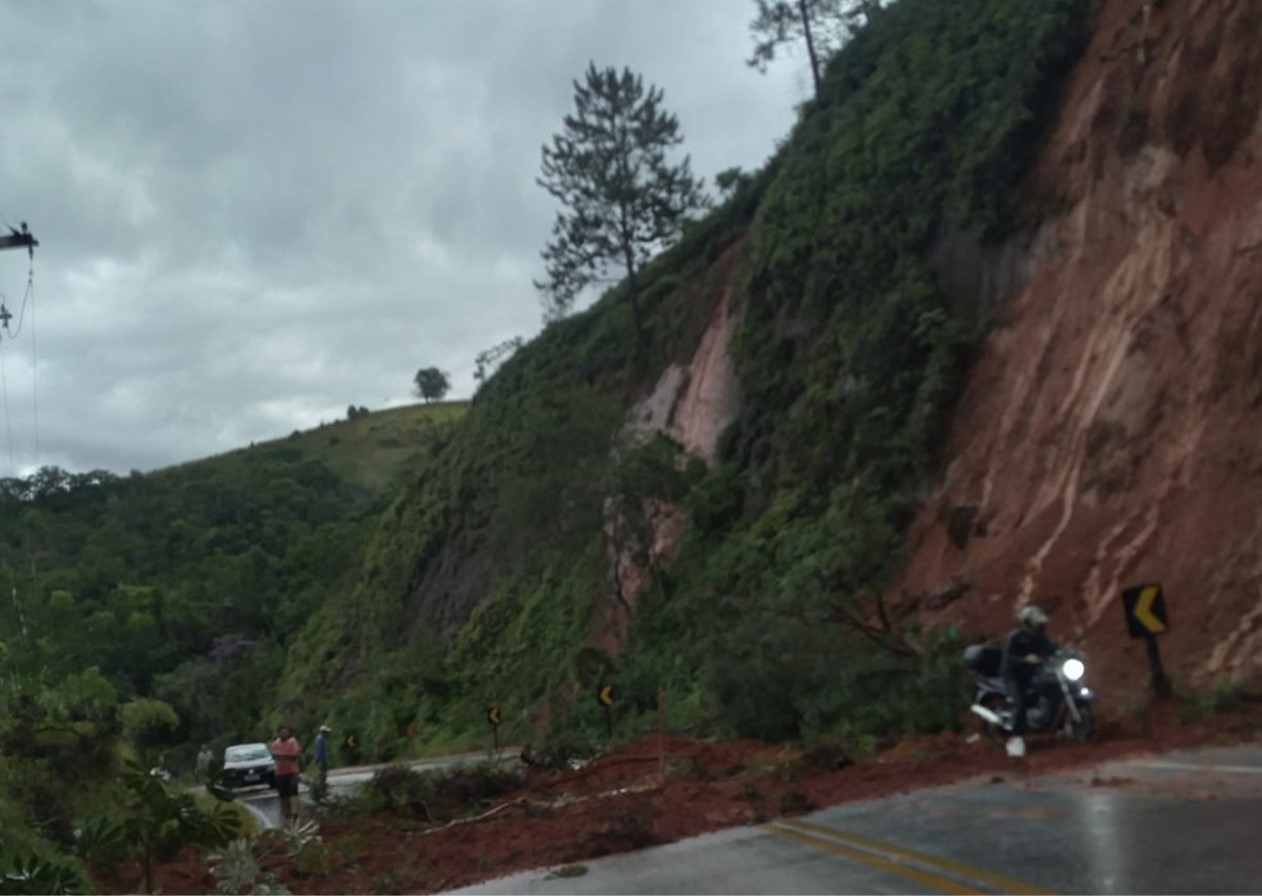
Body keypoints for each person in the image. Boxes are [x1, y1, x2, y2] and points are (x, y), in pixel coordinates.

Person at [1000, 604, 1058, 758]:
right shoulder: (1015, 637)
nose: (1041, 626)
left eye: (1042, 623)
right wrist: (1024, 659)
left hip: (1032, 674)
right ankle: (1015, 740)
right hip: (1013, 675)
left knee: (1051, 686)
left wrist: (1066, 653)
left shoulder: (1040, 638)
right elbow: (1008, 657)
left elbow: (1052, 650)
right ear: (1028, 622)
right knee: (1020, 701)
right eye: (1038, 623)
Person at [270, 725, 302, 824]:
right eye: (282, 732)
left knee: (293, 792)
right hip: (280, 772)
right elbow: (274, 756)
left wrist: (282, 756)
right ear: (279, 733)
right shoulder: (275, 744)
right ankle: (286, 813)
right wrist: (287, 755)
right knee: (283, 795)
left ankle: (294, 812)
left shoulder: (293, 741)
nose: (284, 734)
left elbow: (296, 755)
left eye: (286, 732)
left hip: (292, 771)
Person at [314, 724, 331, 789]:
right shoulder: (320, 739)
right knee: (322, 772)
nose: (327, 734)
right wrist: (318, 759)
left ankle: (322, 784)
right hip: (321, 759)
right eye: (326, 732)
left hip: (322, 758)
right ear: (323, 732)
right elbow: (319, 750)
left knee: (323, 772)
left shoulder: (321, 738)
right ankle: (321, 784)